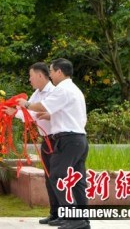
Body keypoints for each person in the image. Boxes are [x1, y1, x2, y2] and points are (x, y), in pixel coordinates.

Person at [17, 58, 89, 229]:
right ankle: (82, 220)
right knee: (77, 180)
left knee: (57, 175)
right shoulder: (74, 89)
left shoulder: (62, 89)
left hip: (68, 140)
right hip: (78, 139)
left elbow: (41, 107)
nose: (50, 75)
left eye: (51, 71)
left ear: (59, 72)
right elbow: (63, 113)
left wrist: (25, 104)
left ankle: (73, 218)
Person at [4, 62, 60, 226]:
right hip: (46, 139)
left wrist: (20, 112)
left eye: (31, 76)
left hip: (58, 139)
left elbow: (37, 113)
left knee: (58, 177)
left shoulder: (55, 93)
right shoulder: (37, 93)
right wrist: (14, 113)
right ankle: (54, 213)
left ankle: (65, 214)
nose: (29, 80)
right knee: (49, 178)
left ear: (40, 76)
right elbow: (29, 113)